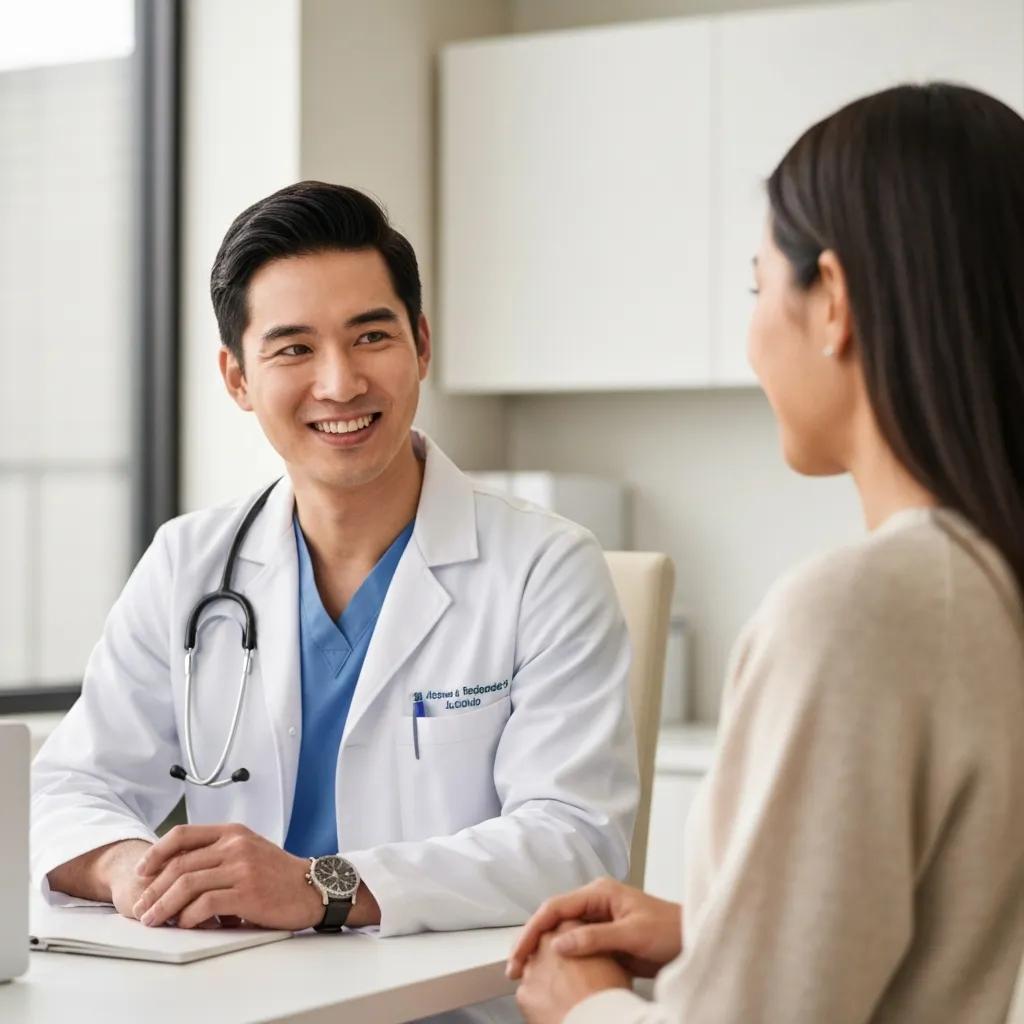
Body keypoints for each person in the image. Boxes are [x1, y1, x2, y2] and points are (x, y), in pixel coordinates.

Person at [31, 183, 639, 1015]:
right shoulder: (189, 564)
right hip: (243, 1003)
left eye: (371, 336)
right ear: (237, 378)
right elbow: (68, 787)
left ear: (422, 345)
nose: (340, 382)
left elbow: (573, 840)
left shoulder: (545, 566)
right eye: (292, 349)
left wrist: (320, 886)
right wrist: (127, 866)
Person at [507, 81, 1024, 1023]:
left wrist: (582, 1005)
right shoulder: (990, 585)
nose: (751, 339)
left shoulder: (858, 610)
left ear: (832, 300)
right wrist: (713, 926)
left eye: (757, 287)